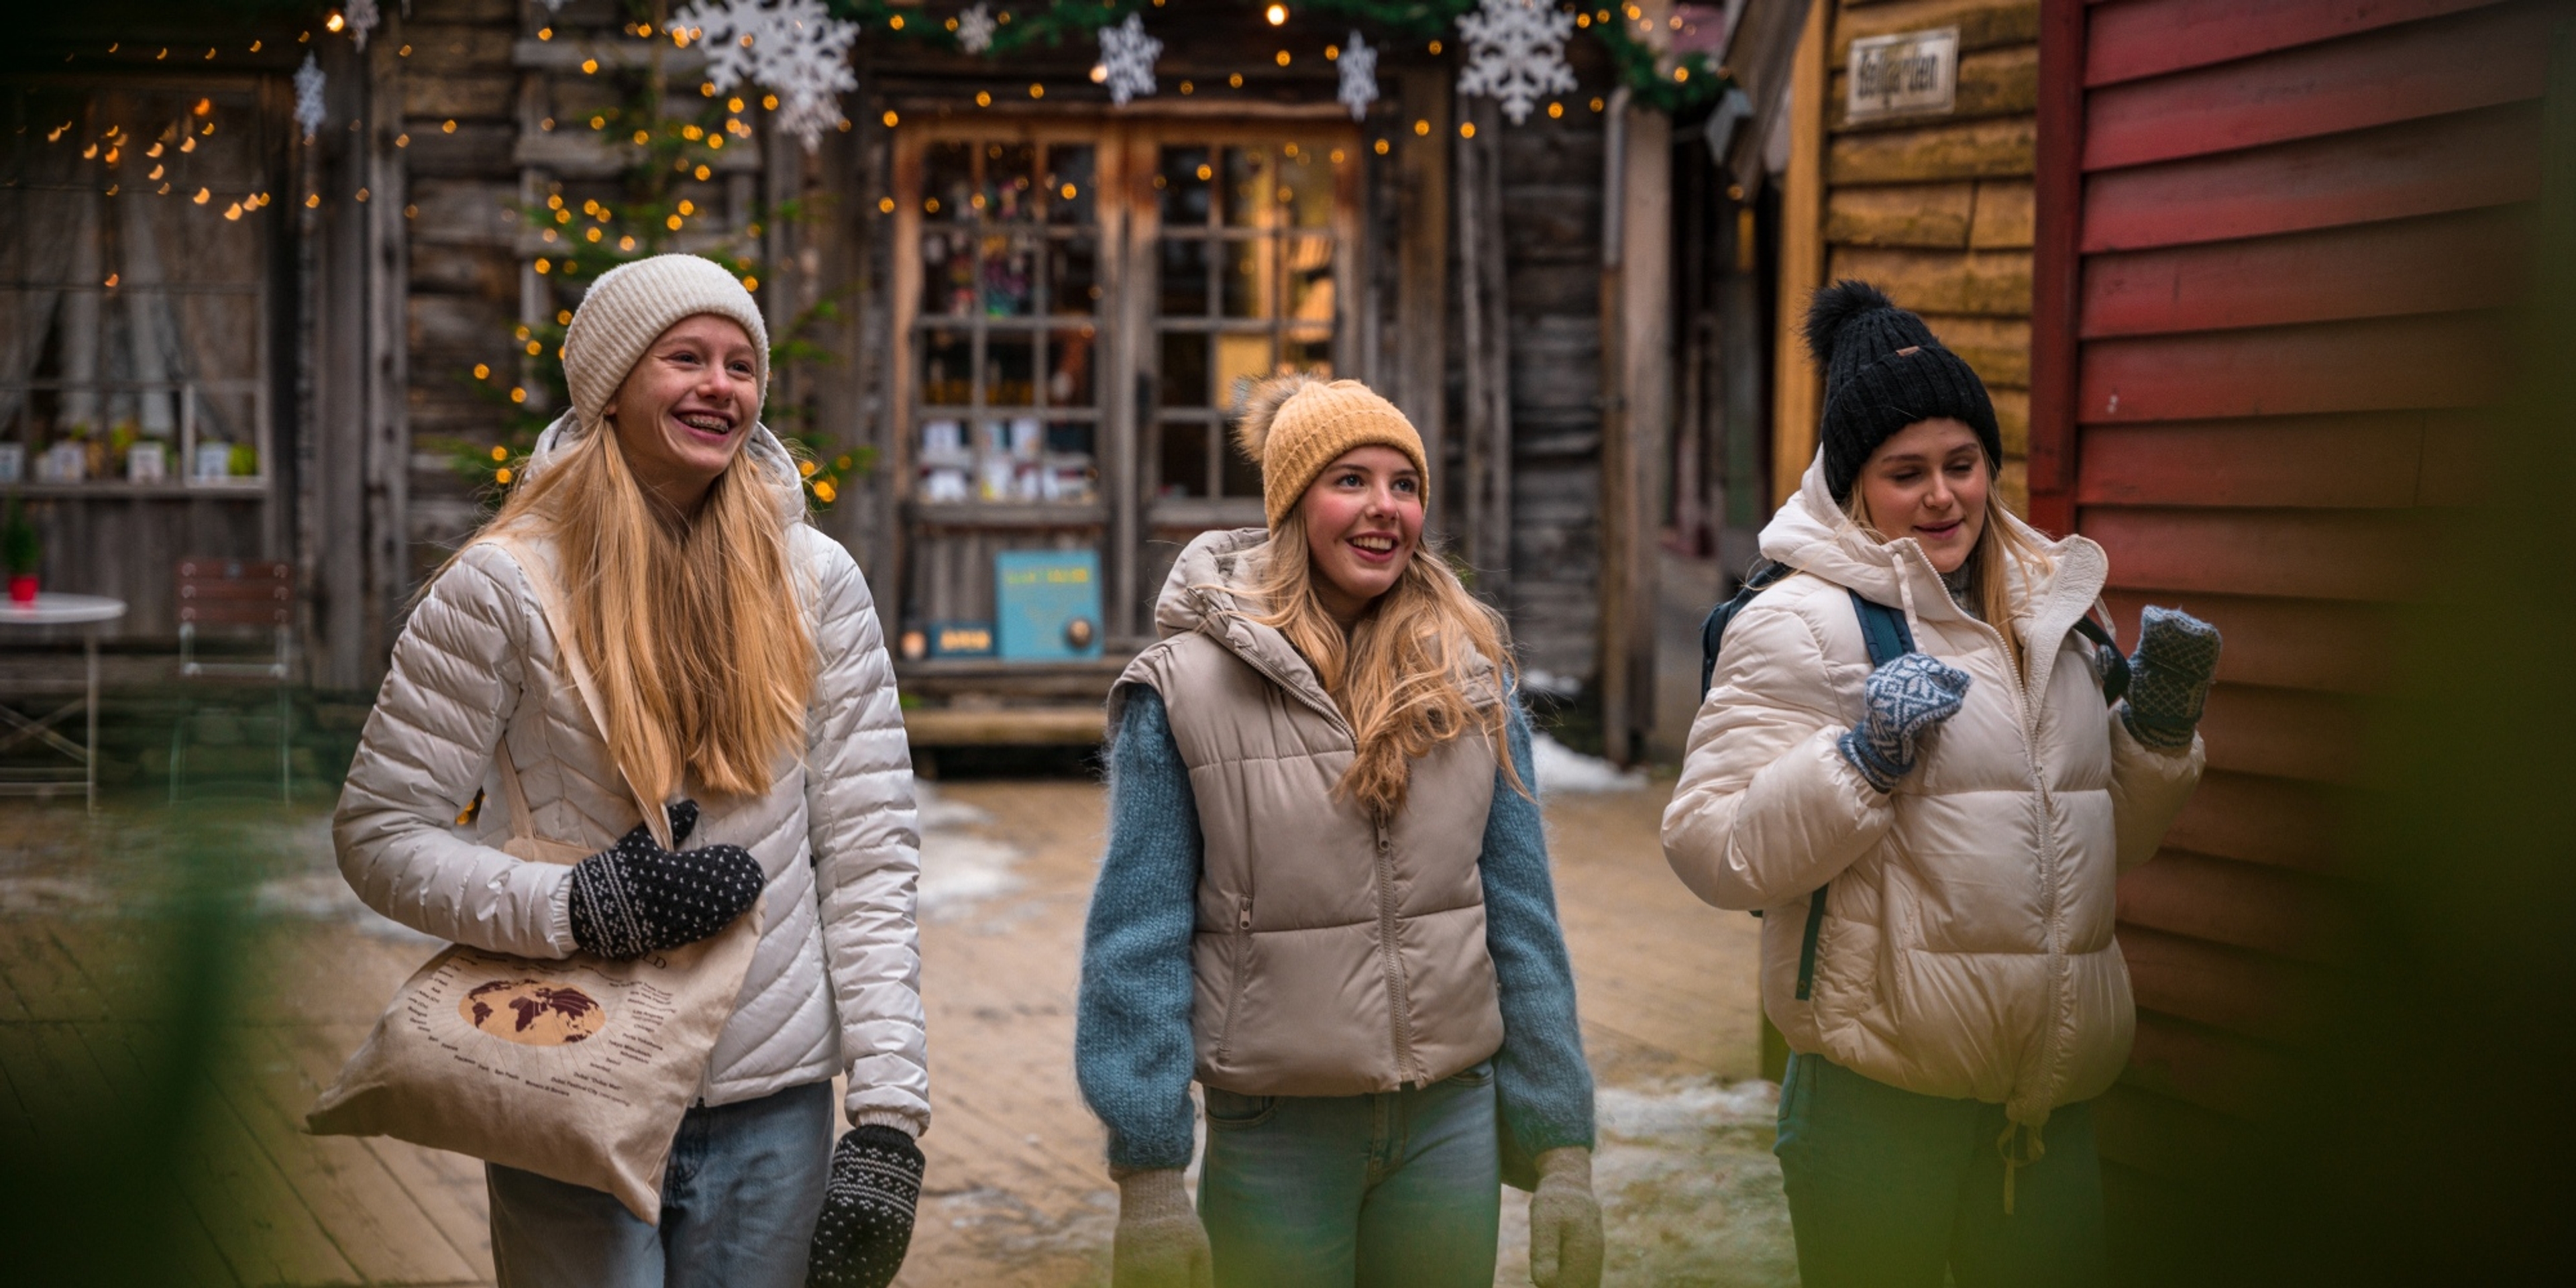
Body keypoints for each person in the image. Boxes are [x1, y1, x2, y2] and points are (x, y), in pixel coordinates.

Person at [333, 254, 928, 1288]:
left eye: (742, 365)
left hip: (771, 1104)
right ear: (611, 386)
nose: (722, 386)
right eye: (685, 358)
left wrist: (888, 1119)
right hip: (571, 1074)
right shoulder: (505, 585)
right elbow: (381, 833)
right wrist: (577, 907)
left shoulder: (817, 582)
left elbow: (870, 859)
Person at [1660, 282, 2219, 1288]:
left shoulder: (2055, 610)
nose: (1941, 496)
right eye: (1904, 472)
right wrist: (1861, 762)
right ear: (1852, 485)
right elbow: (1712, 846)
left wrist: (2161, 733)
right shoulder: (1800, 623)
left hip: (2047, 1110)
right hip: (1880, 1107)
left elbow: (2102, 843)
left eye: (1962, 464)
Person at [1075, 376, 1603, 1288]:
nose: (1383, 509)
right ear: (1291, 506)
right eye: (1350, 480)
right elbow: (1137, 940)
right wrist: (1150, 1176)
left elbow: (1522, 922)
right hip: (1279, 1135)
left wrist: (1562, 1154)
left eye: (1405, 485)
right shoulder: (1187, 691)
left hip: (1451, 1125)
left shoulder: (1473, 679)